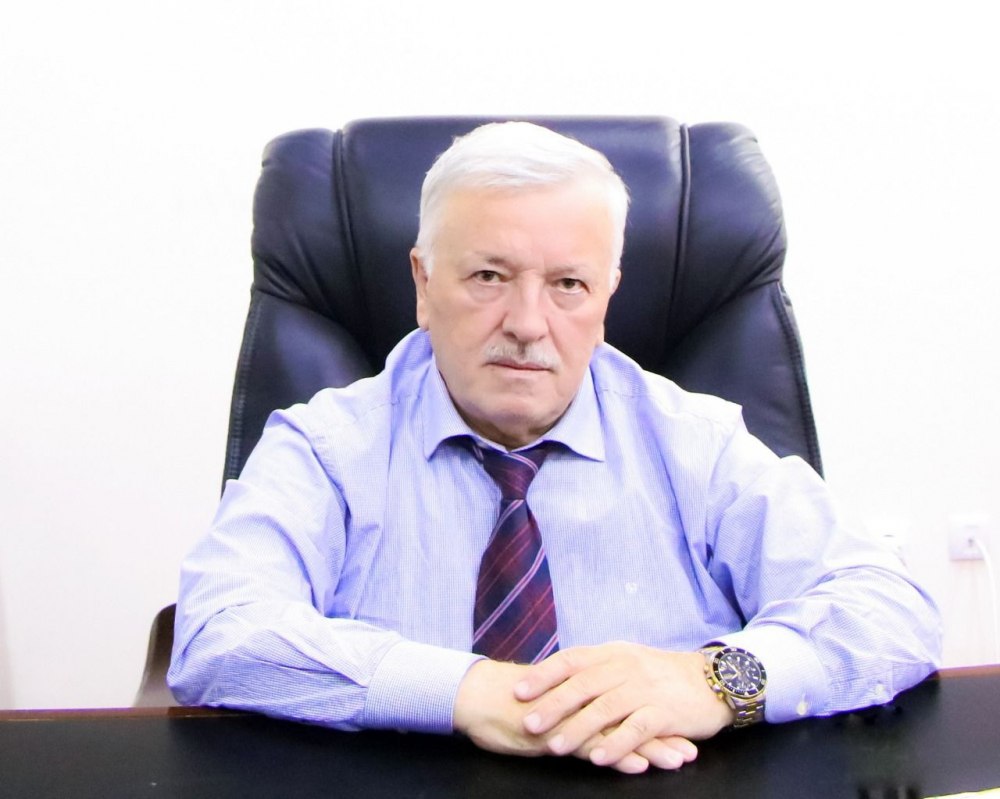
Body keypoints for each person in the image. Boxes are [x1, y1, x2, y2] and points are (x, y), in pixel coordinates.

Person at [168, 121, 941, 775]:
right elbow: (218, 629)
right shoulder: (327, 449)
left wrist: (712, 680)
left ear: (607, 295)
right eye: (489, 276)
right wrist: (469, 692)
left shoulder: (695, 443)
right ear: (423, 283)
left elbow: (889, 606)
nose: (528, 323)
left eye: (568, 284)